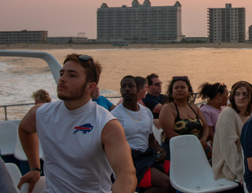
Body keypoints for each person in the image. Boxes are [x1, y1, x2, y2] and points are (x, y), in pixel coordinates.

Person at [17, 53, 136, 193]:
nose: (62, 79)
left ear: (90, 87)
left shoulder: (106, 124)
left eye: (72, 75)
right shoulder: (41, 113)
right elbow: (24, 129)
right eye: (62, 73)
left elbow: (126, 175)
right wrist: (35, 168)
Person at [111, 75, 174, 193]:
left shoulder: (146, 112)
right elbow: (111, 147)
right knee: (166, 184)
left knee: (176, 174)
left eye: (131, 86)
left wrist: (160, 149)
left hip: (147, 156)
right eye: (123, 87)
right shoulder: (115, 116)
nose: (127, 89)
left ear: (138, 89)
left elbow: (150, 139)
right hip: (129, 161)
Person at [212, 81, 252, 187]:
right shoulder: (228, 114)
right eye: (237, 94)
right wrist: (241, 173)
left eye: (245, 94)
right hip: (229, 168)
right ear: (233, 97)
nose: (241, 97)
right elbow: (229, 149)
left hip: (250, 166)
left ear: (251, 97)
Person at [158, 76, 209, 159]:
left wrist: (203, 139)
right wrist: (194, 144)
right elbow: (169, 134)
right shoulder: (168, 108)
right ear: (172, 93)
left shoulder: (194, 107)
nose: (179, 90)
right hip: (177, 150)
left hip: (198, 147)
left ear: (188, 92)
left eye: (183, 87)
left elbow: (205, 127)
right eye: (176, 88)